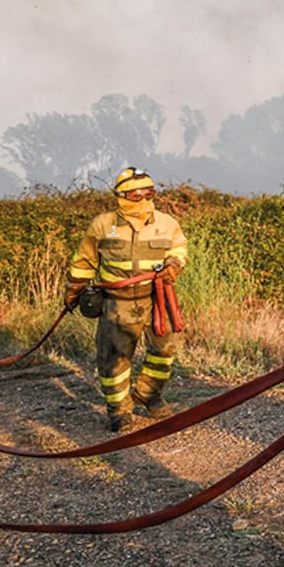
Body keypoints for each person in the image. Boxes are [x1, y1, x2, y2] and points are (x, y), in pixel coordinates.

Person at [64, 167, 188, 433]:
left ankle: (148, 394)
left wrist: (174, 263)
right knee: (114, 359)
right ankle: (119, 411)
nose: (143, 198)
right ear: (121, 195)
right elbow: (85, 261)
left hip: (156, 300)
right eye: (135, 193)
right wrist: (74, 290)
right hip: (117, 304)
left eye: (149, 192)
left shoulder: (166, 223)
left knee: (164, 353)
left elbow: (178, 247)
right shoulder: (102, 224)